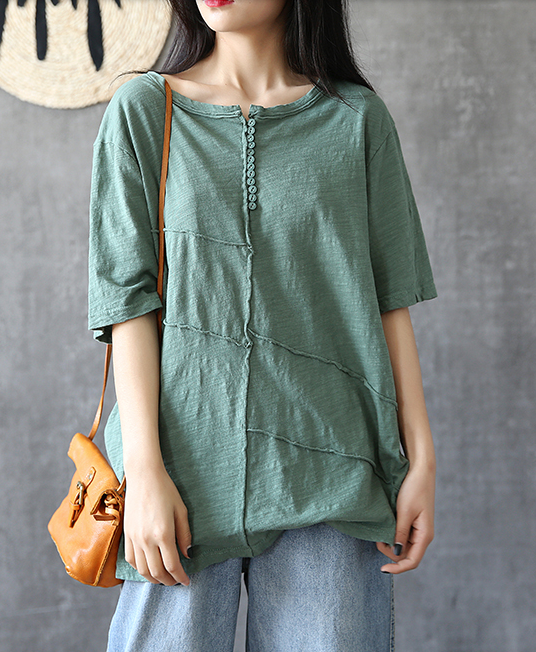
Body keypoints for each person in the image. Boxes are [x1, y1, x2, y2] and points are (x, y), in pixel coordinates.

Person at [87, 0, 438, 650]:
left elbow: (391, 300)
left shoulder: (357, 120)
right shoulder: (144, 109)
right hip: (181, 478)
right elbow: (127, 305)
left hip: (333, 471)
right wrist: (144, 470)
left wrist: (421, 458)